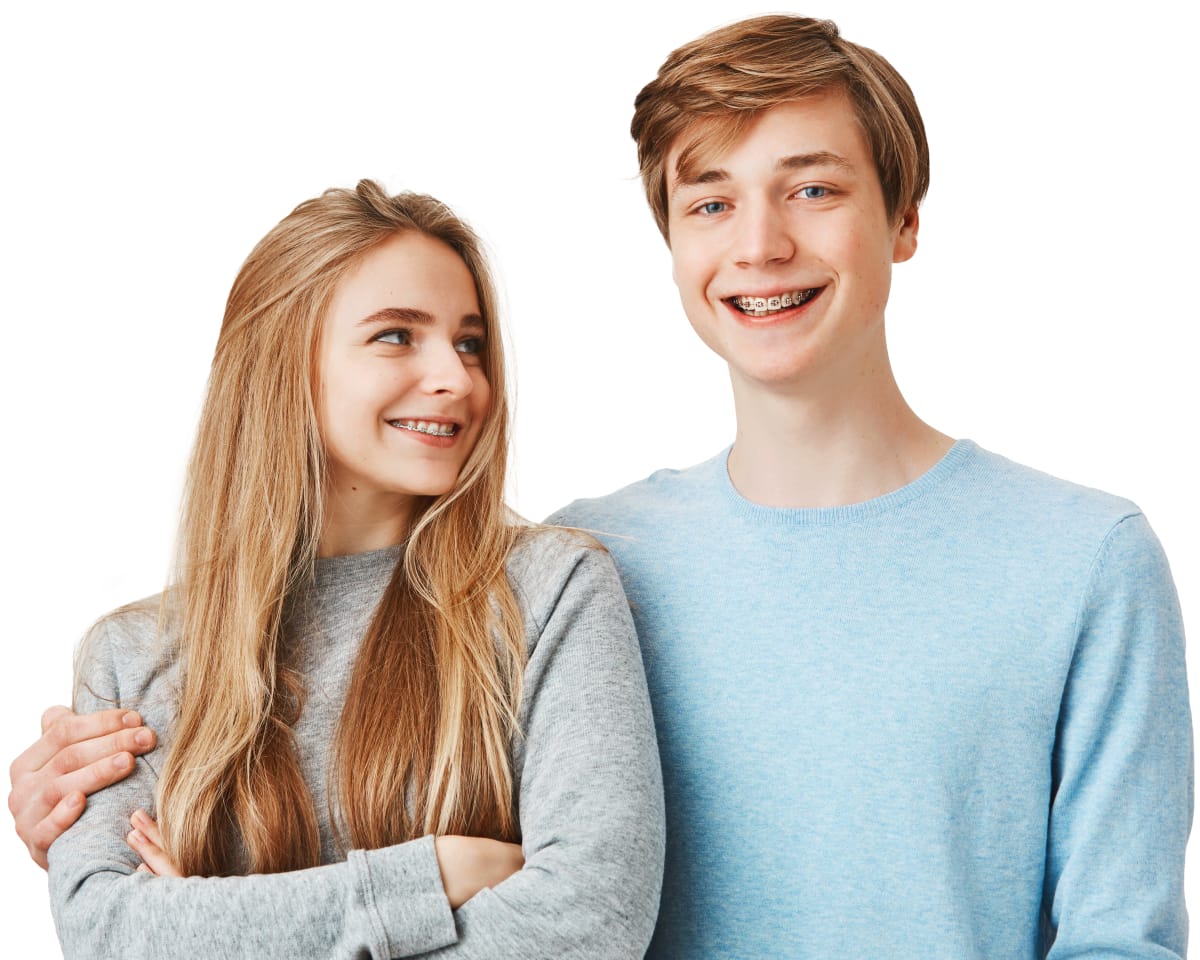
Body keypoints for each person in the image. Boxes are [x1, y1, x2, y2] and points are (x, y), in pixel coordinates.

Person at [10, 13, 1191, 958]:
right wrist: (93, 843)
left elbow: (1116, 942)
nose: (761, 243)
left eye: (816, 188)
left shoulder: (1081, 560)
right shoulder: (576, 564)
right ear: (672, 242)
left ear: (907, 218)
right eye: (711, 201)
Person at [24, 179, 663, 959]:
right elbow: (107, 933)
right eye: (397, 335)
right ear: (282, 363)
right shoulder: (132, 658)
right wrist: (431, 875)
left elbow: (590, 926)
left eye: (469, 342)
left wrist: (217, 920)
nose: (459, 380)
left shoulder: (549, 592)